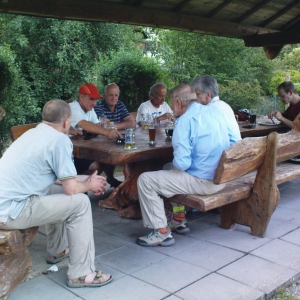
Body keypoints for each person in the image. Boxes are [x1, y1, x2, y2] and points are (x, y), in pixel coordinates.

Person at [0, 99, 113, 287]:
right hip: (10, 211)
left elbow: (59, 180)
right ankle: (81, 274)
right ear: (66, 122)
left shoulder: (32, 134)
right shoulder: (60, 140)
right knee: (81, 203)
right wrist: (89, 185)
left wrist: (87, 182)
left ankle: (57, 250)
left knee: (57, 189)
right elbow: (71, 189)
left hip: (6, 203)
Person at [136, 84, 231, 247]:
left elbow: (182, 164)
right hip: (224, 177)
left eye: (172, 104)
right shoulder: (215, 112)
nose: (171, 109)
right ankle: (178, 219)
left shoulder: (184, 121)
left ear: (179, 103)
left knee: (145, 180)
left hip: (206, 182)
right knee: (167, 168)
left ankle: (162, 233)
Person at [70, 83, 123, 188]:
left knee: (107, 156)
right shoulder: (73, 108)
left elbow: (96, 124)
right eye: (91, 99)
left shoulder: (89, 108)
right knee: (99, 164)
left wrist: (108, 128)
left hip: (83, 148)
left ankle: (110, 180)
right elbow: (84, 124)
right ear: (81, 97)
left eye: (95, 100)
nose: (94, 103)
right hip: (70, 153)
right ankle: (80, 186)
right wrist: (107, 132)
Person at [191, 75, 241, 145]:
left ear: (208, 95)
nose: (194, 98)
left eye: (197, 94)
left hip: (226, 153)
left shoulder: (208, 111)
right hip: (237, 150)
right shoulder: (225, 105)